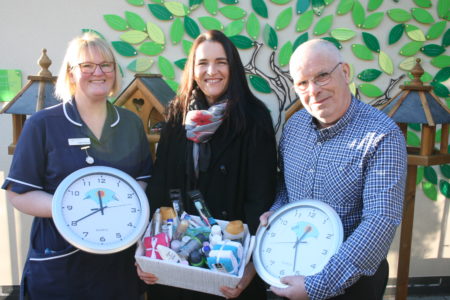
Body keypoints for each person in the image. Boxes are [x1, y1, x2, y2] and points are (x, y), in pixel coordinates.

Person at [2, 33, 152, 299]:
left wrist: (123, 210)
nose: (98, 72)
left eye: (106, 65)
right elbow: (18, 193)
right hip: (61, 264)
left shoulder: (130, 123)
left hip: (118, 263)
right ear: (70, 74)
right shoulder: (43, 124)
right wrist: (76, 209)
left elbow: (142, 180)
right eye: (87, 65)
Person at [259, 39, 407, 300]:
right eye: (302, 83)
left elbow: (380, 221)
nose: (313, 90)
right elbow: (285, 183)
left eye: (322, 76)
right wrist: (278, 209)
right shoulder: (294, 128)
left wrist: (317, 286)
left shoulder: (382, 136)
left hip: (351, 284)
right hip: (291, 268)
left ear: (346, 72)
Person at [136, 30, 277, 299]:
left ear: (233, 67)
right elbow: (160, 184)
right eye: (202, 63)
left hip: (229, 260)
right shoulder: (178, 113)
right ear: (193, 69)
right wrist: (147, 249)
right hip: (177, 255)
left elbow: (261, 197)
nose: (211, 71)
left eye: (220, 62)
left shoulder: (254, 118)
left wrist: (248, 268)